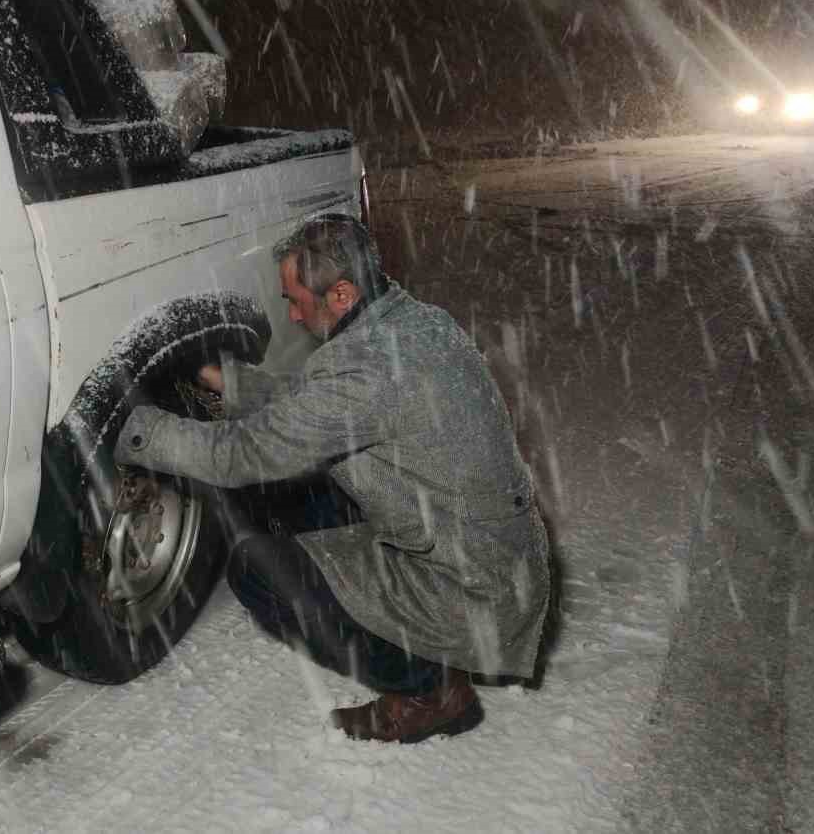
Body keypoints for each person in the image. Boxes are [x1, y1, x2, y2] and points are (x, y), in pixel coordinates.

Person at [115, 213, 552, 744]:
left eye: (296, 300)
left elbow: (241, 454)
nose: (294, 316)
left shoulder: (365, 371)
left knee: (257, 568)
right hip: (488, 550)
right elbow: (317, 410)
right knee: (290, 485)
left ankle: (429, 689)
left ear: (342, 294)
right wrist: (226, 383)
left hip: (470, 587)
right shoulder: (414, 323)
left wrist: (134, 426)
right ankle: (387, 617)